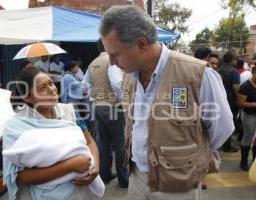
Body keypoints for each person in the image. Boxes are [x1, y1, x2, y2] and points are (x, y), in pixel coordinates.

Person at [99, 5, 234, 200]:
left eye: (115, 53)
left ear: (142, 44)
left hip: (177, 184)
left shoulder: (197, 74)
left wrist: (187, 157)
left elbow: (222, 128)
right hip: (136, 177)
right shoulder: (129, 75)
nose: (111, 62)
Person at [3, 67, 101, 200]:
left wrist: (95, 167)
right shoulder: (16, 127)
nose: (52, 89)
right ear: (27, 97)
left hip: (82, 193)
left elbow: (89, 141)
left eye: (51, 83)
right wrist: (71, 165)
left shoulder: (68, 111)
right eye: (42, 88)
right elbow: (20, 177)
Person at [82, 39, 128, 188]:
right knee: (120, 143)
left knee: (103, 143)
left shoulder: (92, 63)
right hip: (113, 107)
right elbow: (116, 83)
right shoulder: (112, 61)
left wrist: (96, 95)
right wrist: (124, 102)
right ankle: (123, 179)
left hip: (98, 107)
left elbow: (83, 86)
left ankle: (104, 175)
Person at [217, 51, 240, 152]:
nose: (236, 60)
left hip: (219, 99)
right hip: (230, 100)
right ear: (232, 60)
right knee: (230, 122)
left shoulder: (218, 70)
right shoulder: (234, 71)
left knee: (220, 122)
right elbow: (236, 88)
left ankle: (220, 142)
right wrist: (239, 99)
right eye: (235, 58)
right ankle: (227, 145)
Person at [238, 66, 256, 171]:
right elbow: (241, 103)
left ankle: (254, 161)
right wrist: (254, 104)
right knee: (248, 137)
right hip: (249, 115)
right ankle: (243, 161)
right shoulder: (245, 86)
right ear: (253, 73)